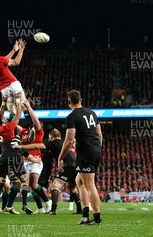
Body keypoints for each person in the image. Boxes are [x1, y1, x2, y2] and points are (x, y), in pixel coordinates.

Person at [58, 90, 103, 226]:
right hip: (95, 149)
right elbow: (99, 135)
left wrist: (61, 157)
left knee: (89, 185)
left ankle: (96, 218)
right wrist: (96, 148)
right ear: (81, 99)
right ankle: (84, 215)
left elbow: (69, 140)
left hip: (86, 151)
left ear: (69, 102)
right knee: (80, 182)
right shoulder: (91, 113)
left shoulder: (72, 116)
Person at [15, 128, 81, 215]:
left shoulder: (53, 143)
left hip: (68, 167)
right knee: (72, 187)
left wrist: (21, 146)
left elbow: (37, 146)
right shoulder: (62, 143)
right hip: (76, 166)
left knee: (55, 187)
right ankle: (79, 209)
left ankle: (53, 210)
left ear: (51, 137)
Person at [0, 102, 22, 213]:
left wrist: (3, 104)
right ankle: (8, 206)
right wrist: (18, 103)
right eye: (4, 117)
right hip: (11, 157)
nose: (6, 118)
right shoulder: (8, 127)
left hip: (1, 157)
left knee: (0, 184)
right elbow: (17, 116)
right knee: (17, 181)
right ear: (3, 121)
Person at [0, 39, 27, 112]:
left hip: (4, 89)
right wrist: (21, 49)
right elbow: (16, 62)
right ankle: (31, 123)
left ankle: (12, 123)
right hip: (13, 84)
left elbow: (3, 60)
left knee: (11, 110)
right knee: (23, 105)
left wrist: (13, 50)